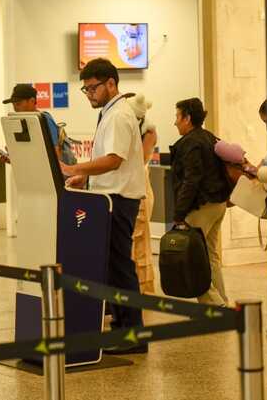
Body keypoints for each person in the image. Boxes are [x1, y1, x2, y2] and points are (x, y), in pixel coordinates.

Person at [61, 58, 147, 355]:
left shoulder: (119, 116)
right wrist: (83, 177)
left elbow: (114, 160)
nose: (90, 95)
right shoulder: (111, 114)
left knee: (120, 268)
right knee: (112, 268)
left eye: (93, 88)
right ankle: (120, 329)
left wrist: (75, 169)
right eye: (85, 90)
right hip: (108, 199)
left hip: (120, 201)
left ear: (111, 83)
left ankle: (132, 335)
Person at [170, 98, 232, 307]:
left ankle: (213, 304)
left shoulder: (189, 143)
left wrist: (179, 213)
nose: (175, 122)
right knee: (210, 255)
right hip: (218, 204)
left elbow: (191, 180)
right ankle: (221, 299)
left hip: (200, 207)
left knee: (193, 257)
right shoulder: (209, 137)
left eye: (177, 117)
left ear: (187, 118)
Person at [125, 93, 156, 294]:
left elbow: (142, 159)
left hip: (141, 188)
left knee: (140, 240)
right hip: (130, 186)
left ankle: (143, 288)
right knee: (131, 241)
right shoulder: (129, 129)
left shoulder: (149, 132)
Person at [2, 84, 61, 160]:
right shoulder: (18, 122)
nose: (15, 108)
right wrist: (13, 159)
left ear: (32, 101)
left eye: (18, 104)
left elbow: (56, 156)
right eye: (13, 105)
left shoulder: (45, 119)